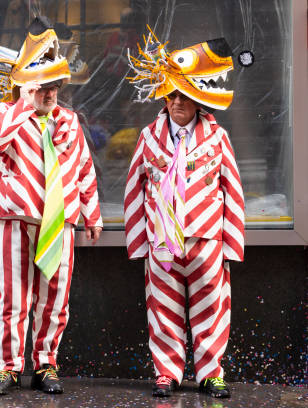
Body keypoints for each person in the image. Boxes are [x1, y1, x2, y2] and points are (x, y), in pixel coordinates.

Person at [0, 19, 103, 396]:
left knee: (54, 299)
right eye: (42, 87)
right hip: (14, 219)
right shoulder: (4, 114)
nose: (50, 94)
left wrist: (91, 213)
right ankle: (9, 367)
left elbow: (82, 167)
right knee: (13, 299)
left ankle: (46, 364)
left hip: (59, 221)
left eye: (54, 87)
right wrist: (23, 102)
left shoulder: (68, 120)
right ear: (24, 85)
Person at [124, 31, 244, 399]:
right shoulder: (149, 136)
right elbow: (133, 189)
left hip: (206, 238)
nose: (176, 102)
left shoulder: (217, 137)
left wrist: (231, 244)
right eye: (171, 94)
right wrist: (138, 243)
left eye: (184, 95)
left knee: (211, 306)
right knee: (162, 309)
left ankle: (211, 373)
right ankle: (167, 372)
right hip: (162, 240)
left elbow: (233, 190)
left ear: (197, 98)